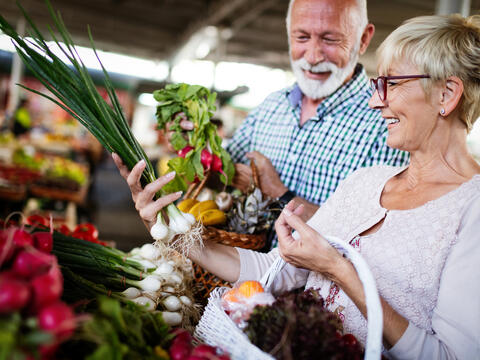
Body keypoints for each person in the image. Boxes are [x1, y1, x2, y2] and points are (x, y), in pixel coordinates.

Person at [113, 14, 480, 359]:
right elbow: (275, 270)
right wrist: (173, 234)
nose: (374, 100)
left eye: (391, 84)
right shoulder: (365, 182)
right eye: (376, 84)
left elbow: (448, 355)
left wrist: (340, 271)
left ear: (447, 95)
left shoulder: (472, 208)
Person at [168, 0, 409, 224]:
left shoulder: (387, 122)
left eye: (330, 39)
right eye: (302, 37)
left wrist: (279, 194)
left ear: (364, 39)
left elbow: (371, 232)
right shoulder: (271, 106)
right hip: (240, 267)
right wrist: (194, 147)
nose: (313, 56)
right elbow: (219, 177)